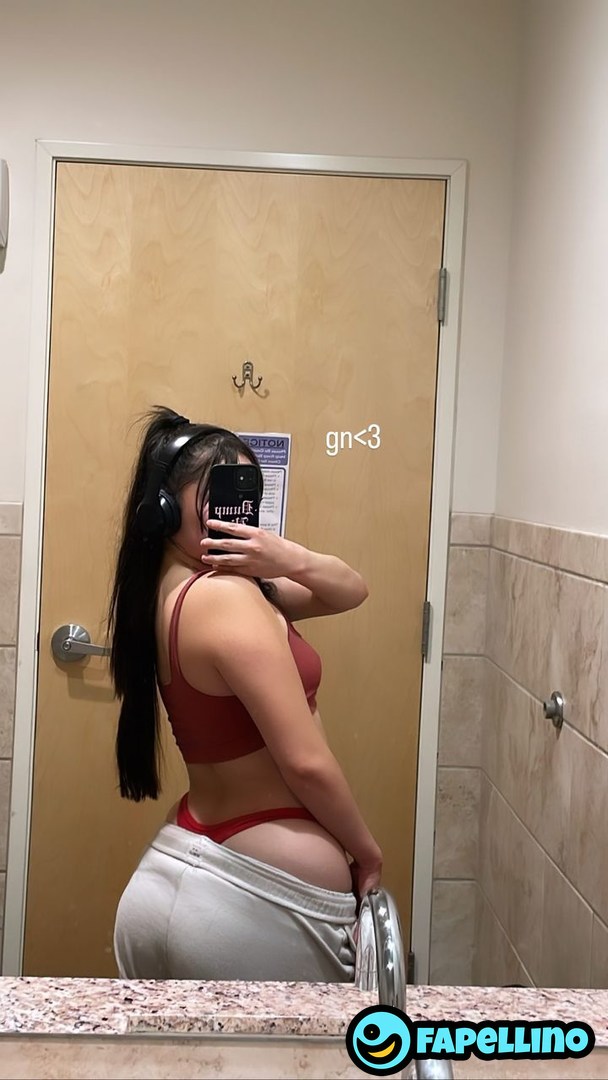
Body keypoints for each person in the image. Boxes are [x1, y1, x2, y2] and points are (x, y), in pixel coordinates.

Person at [110, 406, 382, 982]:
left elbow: (351, 590)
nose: (234, 506)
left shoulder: (171, 592)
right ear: (165, 508)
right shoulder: (226, 598)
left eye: (244, 487)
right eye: (218, 491)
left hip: (184, 864)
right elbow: (305, 763)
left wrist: (283, 557)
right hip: (250, 899)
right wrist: (366, 853)